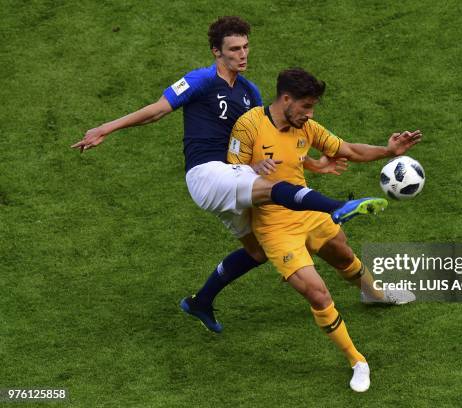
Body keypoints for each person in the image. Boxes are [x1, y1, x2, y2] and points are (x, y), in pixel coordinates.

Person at [71, 16, 388, 333]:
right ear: (216, 52)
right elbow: (157, 110)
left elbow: (267, 144)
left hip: (235, 176)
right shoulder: (200, 81)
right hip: (208, 175)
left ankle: (199, 302)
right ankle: (336, 207)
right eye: (234, 49)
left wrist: (312, 164)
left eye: (246, 47)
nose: (243, 54)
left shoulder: (251, 93)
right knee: (275, 189)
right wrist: (106, 128)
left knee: (259, 250)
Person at [227, 68, 422, 392]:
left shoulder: (307, 128)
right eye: (306, 107)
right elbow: (226, 174)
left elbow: (348, 150)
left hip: (310, 214)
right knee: (318, 293)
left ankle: (373, 294)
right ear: (286, 99)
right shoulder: (249, 125)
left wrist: (388, 151)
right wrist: (249, 169)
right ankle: (358, 361)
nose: (310, 114)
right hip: (275, 227)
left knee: (344, 256)